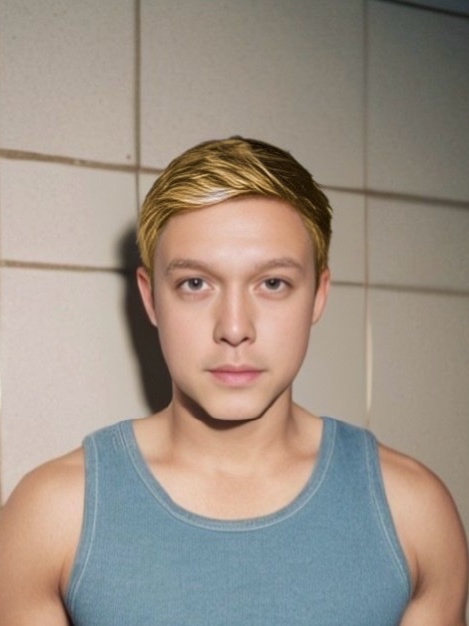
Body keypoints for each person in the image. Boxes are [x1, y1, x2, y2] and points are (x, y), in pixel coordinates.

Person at [0, 137, 467, 625]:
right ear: (151, 298)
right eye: (195, 284)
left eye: (273, 283)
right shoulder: (54, 516)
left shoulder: (413, 511)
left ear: (318, 295)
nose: (235, 328)